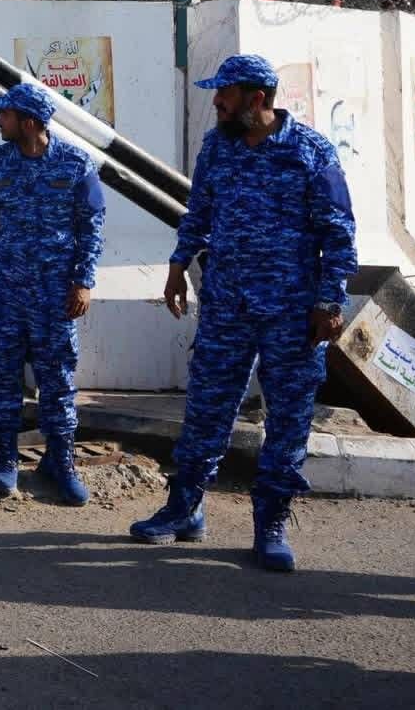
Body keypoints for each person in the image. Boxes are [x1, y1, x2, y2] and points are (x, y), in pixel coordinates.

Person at [129, 53, 357, 573]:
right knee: (206, 406)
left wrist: (329, 302)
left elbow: (339, 234)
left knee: (289, 418)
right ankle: (184, 508)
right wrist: (178, 264)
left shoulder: (310, 151)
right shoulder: (218, 146)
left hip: (290, 313)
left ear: (257, 98)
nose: (217, 102)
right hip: (226, 305)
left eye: (225, 94)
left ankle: (270, 523)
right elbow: (199, 211)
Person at [0, 81, 103, 505]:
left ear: (27, 122)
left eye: (4, 114)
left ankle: (62, 461)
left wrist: (83, 281)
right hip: (6, 290)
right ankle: (6, 458)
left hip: (55, 293)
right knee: (3, 373)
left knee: (57, 377)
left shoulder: (76, 163)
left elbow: (91, 228)